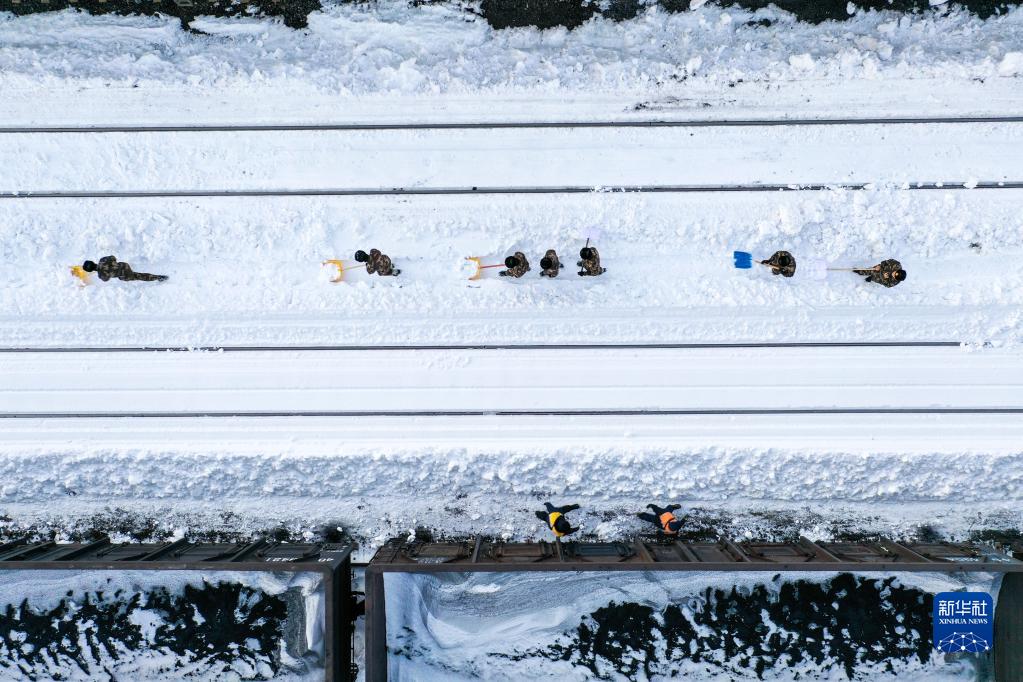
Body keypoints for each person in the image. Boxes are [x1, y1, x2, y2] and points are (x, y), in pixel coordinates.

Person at [82, 256, 167, 282]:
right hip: (124, 265)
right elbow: (113, 257)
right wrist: (113, 264)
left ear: (91, 270)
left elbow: (106, 279)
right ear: (92, 262)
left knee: (138, 276)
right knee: (136, 274)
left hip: (124, 275)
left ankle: (157, 277)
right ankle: (157, 276)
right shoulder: (102, 260)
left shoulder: (101, 275)